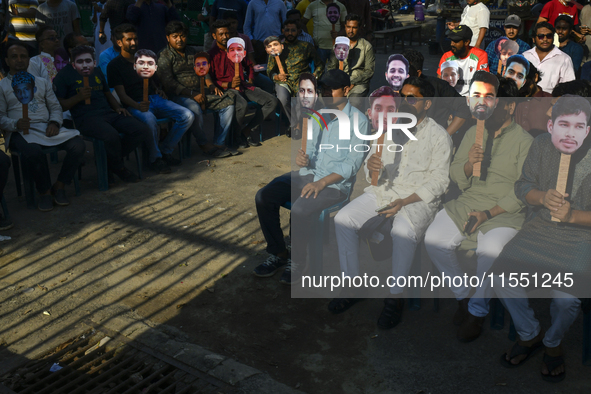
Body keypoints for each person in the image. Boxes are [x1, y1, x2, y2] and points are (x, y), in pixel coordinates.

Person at [329, 80, 453, 328]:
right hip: (384, 191)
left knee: (402, 232)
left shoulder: (439, 136)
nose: (405, 102)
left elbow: (440, 183)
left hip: (417, 198)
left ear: (427, 104)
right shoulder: (388, 128)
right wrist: (371, 167)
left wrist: (404, 201)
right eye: (403, 96)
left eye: (412, 98)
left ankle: (395, 297)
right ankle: (352, 287)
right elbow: (372, 168)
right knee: (343, 219)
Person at [424, 72, 534, 342]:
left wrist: (488, 214)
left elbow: (523, 190)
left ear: (508, 106)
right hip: (469, 201)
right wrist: (467, 163)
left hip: (504, 211)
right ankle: (464, 296)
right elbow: (457, 177)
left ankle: (476, 311)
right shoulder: (474, 131)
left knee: (490, 251)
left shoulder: (525, 141)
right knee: (434, 239)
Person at [492, 95, 591, 383]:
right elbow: (523, 185)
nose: (570, 133)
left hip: (582, 237)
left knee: (566, 299)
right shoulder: (540, 146)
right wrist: (540, 197)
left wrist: (573, 216)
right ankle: (529, 334)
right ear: (550, 126)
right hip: (541, 229)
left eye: (578, 126)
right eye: (563, 124)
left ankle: (553, 341)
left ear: (588, 130)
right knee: (500, 276)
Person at [253, 69, 369, 285]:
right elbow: (311, 153)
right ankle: (279, 253)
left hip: (335, 185)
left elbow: (352, 165)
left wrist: (322, 182)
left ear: (347, 90)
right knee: (264, 195)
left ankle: (297, 260)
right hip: (310, 175)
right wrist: (303, 159)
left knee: (300, 208)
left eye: (331, 89)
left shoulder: (359, 121)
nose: (326, 93)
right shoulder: (319, 115)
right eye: (323, 88)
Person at [0, 41, 85, 212]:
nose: (19, 60)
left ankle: (59, 186)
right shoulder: (2, 86)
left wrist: (54, 122)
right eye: (14, 57)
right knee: (33, 152)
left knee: (78, 145)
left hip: (46, 127)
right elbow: (0, 117)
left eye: (23, 56)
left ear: (29, 60)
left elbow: (55, 107)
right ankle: (44, 192)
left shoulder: (41, 82)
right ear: (7, 61)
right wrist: (15, 123)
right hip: (18, 132)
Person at [54, 45, 149, 183]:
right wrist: (78, 97)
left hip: (108, 113)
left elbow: (107, 93)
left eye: (88, 60)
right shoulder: (63, 76)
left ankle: (109, 163)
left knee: (141, 129)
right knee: (111, 136)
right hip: (85, 118)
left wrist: (117, 107)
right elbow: (60, 106)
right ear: (73, 62)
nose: (85, 64)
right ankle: (119, 167)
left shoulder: (96, 72)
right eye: (80, 61)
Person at [107, 24, 193, 173]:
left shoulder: (144, 59)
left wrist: (158, 90)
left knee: (187, 115)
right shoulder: (114, 65)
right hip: (135, 103)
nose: (133, 43)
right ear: (119, 42)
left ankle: (166, 150)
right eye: (128, 40)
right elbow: (122, 95)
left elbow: (151, 80)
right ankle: (155, 158)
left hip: (155, 98)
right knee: (149, 119)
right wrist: (137, 105)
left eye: (135, 39)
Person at [159, 21, 236, 158]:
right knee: (194, 108)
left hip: (199, 91)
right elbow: (168, 82)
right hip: (177, 96)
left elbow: (204, 71)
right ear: (168, 38)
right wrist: (191, 94)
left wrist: (210, 85)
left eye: (182, 36)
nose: (179, 40)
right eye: (175, 36)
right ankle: (203, 144)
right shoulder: (164, 56)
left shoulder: (192, 51)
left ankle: (219, 143)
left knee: (228, 102)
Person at [209, 21, 278, 147]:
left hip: (243, 86)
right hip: (225, 89)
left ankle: (246, 131)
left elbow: (249, 65)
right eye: (221, 34)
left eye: (227, 33)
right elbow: (210, 80)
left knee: (272, 101)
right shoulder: (211, 55)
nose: (225, 37)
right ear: (214, 36)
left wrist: (251, 78)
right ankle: (235, 138)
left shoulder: (236, 49)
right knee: (242, 105)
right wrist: (228, 84)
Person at [265, 19, 323, 129]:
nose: (290, 33)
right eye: (287, 30)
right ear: (283, 31)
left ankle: (295, 126)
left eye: (293, 30)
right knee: (283, 99)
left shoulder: (306, 46)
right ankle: (295, 124)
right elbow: (269, 70)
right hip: (283, 81)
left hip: (302, 81)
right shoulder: (276, 47)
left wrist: (314, 76)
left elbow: (320, 64)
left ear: (298, 31)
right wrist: (276, 76)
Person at [403, 49, 471, 136]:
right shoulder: (395, 89)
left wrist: (444, 136)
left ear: (418, 73)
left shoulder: (438, 86)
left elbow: (464, 107)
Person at [326, 13, 374, 98]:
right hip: (339, 82)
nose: (351, 31)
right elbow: (331, 67)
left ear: (359, 28)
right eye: (348, 27)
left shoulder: (366, 46)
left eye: (354, 28)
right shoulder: (338, 45)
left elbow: (369, 71)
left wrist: (352, 82)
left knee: (354, 100)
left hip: (358, 83)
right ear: (345, 26)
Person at [523, 22, 575, 94]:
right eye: (541, 36)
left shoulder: (564, 59)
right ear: (534, 39)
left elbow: (569, 88)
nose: (545, 39)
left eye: (549, 36)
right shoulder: (525, 56)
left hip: (551, 102)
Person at [438, 25, 489, 96]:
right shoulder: (446, 57)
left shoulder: (480, 55)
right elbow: (440, 81)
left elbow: (483, 82)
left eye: (456, 41)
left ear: (466, 42)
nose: (452, 44)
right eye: (451, 40)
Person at [514, 62, 554, 138]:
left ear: (535, 77)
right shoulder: (513, 100)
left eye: (525, 83)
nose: (521, 88)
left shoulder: (550, 101)